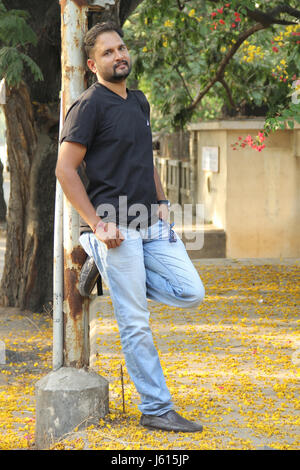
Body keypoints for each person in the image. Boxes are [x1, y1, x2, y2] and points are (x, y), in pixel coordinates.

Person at [56, 21, 205, 433]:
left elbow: (147, 158)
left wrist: (161, 204)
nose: (118, 55)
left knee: (191, 291)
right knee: (135, 320)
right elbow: (65, 170)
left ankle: (105, 270)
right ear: (92, 64)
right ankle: (156, 408)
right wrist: (96, 224)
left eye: (121, 48)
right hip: (115, 227)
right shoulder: (89, 106)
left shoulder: (139, 101)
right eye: (107, 52)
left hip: (149, 222)